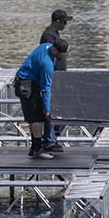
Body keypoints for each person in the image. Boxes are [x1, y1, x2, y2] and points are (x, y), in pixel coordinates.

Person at [14, 38, 69, 159]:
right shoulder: (47, 63)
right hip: (28, 86)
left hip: (22, 81)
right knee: (38, 119)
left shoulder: (45, 45)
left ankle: (34, 148)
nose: (60, 58)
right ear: (55, 51)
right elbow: (46, 88)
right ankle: (39, 150)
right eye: (60, 55)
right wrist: (47, 109)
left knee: (32, 119)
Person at [40, 9, 72, 152]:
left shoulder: (54, 34)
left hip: (58, 77)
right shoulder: (49, 36)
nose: (66, 25)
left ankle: (52, 137)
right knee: (52, 109)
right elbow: (47, 57)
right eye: (64, 22)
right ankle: (49, 140)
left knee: (63, 109)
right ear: (57, 21)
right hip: (52, 77)